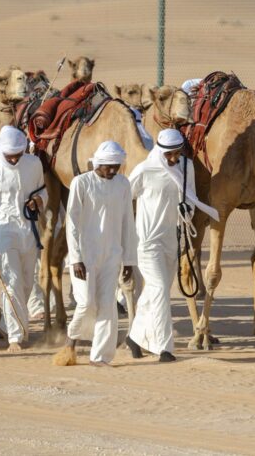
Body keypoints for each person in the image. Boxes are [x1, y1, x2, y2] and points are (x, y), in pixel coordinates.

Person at [126, 129, 218, 362]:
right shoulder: (145, 170)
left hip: (173, 239)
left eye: (177, 153)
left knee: (157, 291)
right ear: (160, 150)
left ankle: (135, 337)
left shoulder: (186, 168)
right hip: (147, 241)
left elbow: (190, 196)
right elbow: (125, 196)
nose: (173, 158)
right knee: (157, 289)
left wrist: (186, 210)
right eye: (169, 154)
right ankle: (164, 347)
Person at [54, 141, 136, 367]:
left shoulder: (123, 184)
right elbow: (71, 223)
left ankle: (100, 357)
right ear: (97, 163)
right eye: (108, 166)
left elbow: (128, 221)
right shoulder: (81, 183)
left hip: (112, 254)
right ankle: (71, 339)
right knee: (86, 303)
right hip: (85, 256)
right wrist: (76, 257)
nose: (112, 171)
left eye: (116, 166)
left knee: (108, 305)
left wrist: (129, 259)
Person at [0, 126, 47, 351]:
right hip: (3, 232)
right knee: (12, 282)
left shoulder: (34, 164)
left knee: (27, 284)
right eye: (10, 156)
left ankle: (9, 325)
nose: (15, 159)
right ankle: (15, 338)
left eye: (18, 154)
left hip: (29, 230)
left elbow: (42, 191)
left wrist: (38, 200)